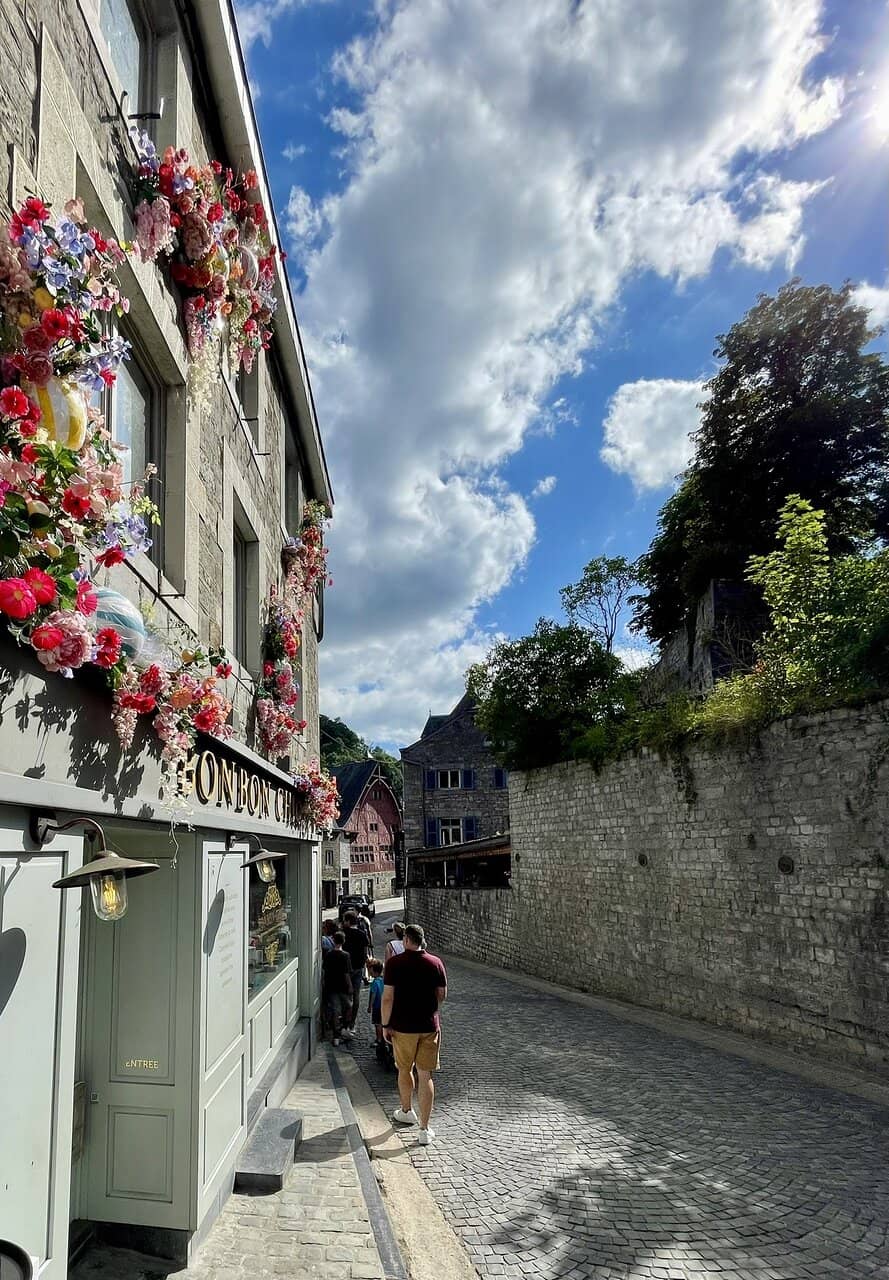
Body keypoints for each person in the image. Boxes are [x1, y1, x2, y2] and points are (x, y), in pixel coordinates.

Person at [382, 924, 447, 1146]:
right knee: (425, 1075)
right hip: (428, 1026)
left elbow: (387, 998)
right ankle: (424, 1129)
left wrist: (385, 1024)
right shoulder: (435, 963)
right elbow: (442, 995)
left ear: (407, 940)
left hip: (402, 1027)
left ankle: (407, 1110)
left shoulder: (394, 964)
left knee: (404, 1069)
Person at [322, 931, 353, 1047]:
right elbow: (346, 973)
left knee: (336, 1010)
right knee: (348, 1007)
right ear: (343, 941)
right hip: (343, 986)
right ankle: (343, 1029)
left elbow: (324, 969)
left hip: (331, 985)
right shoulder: (345, 955)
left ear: (333, 940)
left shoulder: (328, 954)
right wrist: (350, 986)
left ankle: (336, 1035)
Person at [341, 909, 369, 1036]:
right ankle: (352, 1023)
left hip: (346, 969)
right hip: (358, 967)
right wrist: (363, 965)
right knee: (356, 994)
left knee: (346, 995)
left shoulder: (344, 933)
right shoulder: (362, 934)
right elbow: (365, 952)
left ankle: (345, 1022)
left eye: (344, 920)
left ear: (348, 921)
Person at [367, 958, 385, 1050]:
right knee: (383, 1023)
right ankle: (383, 1038)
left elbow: (373, 995)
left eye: (370, 971)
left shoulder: (374, 982)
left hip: (377, 1006)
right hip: (384, 1005)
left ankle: (379, 1039)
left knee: (377, 1024)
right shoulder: (384, 980)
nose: (369, 973)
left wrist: (370, 1006)